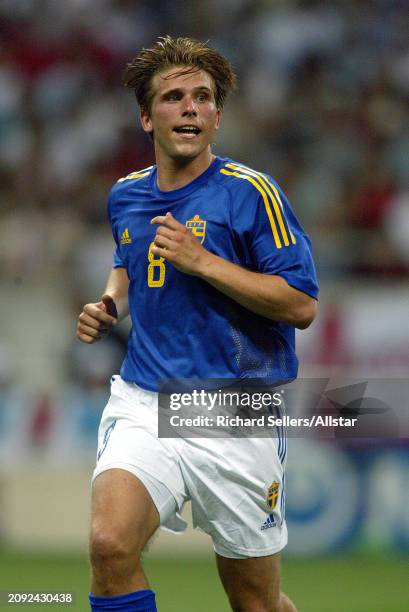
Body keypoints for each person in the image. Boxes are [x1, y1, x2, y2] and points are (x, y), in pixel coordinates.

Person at [77, 36, 318, 612]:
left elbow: (301, 305)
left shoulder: (253, 194)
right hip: (145, 400)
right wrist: (112, 301)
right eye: (174, 96)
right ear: (146, 116)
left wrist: (202, 261)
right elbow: (128, 259)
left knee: (255, 603)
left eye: (203, 97)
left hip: (236, 411)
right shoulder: (126, 196)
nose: (190, 107)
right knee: (110, 546)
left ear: (216, 115)